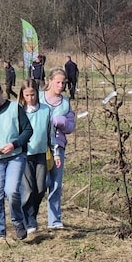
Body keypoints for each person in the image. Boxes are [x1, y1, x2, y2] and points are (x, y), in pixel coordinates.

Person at [0, 77, 32, 243]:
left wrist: (14, 143)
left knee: (11, 191)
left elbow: (28, 130)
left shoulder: (15, 108)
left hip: (16, 156)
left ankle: (18, 222)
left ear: (1, 93)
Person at [20, 79, 54, 239]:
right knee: (28, 189)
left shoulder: (45, 110)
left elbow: (49, 132)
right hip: (24, 154)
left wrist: (54, 150)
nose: (30, 98)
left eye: (32, 94)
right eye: (27, 95)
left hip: (41, 153)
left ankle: (31, 215)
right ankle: (29, 222)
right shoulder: (20, 110)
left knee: (40, 188)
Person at [43, 68, 76, 229]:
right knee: (39, 183)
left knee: (55, 184)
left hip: (58, 146)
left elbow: (71, 126)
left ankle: (54, 220)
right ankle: (30, 217)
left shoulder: (65, 103)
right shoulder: (38, 99)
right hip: (38, 147)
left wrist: (61, 122)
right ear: (49, 81)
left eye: (63, 83)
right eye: (58, 82)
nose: (61, 85)